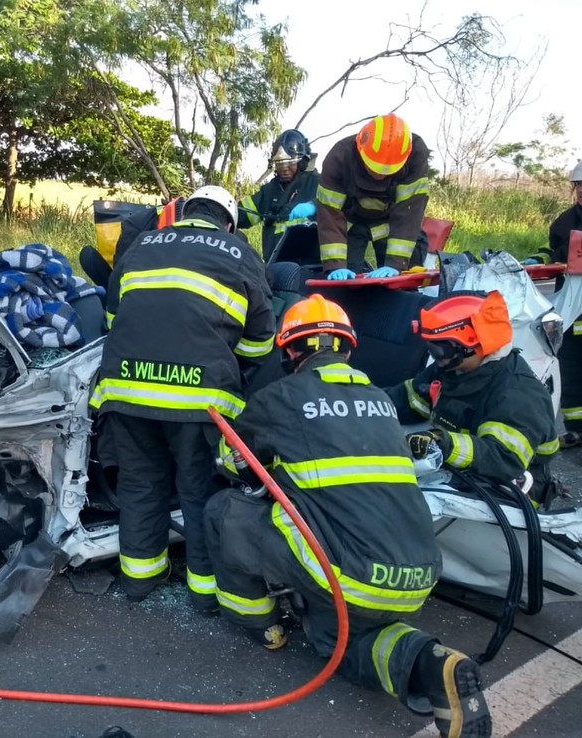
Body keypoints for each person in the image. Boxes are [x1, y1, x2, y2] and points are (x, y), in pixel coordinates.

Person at [204, 294, 491, 738]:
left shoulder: (281, 395)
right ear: (347, 349)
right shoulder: (380, 401)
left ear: (291, 351)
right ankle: (435, 666)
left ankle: (261, 624)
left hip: (352, 576)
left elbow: (230, 461)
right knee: (334, 636)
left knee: (224, 512)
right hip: (419, 575)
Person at [90, 185, 276, 612]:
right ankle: (205, 592)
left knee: (139, 485)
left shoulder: (140, 245)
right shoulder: (237, 251)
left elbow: (114, 318)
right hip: (198, 399)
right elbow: (260, 344)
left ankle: (139, 579)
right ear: (228, 222)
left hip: (126, 390)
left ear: (184, 213)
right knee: (198, 490)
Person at [386, 291, 559, 506]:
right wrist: (362, 403)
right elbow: (407, 400)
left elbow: (503, 458)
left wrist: (444, 443)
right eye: (432, 348)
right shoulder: (454, 368)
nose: (436, 358)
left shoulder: (519, 392)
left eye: (440, 349)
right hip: (459, 470)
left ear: (471, 343)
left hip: (510, 491)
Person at [316, 114, 430, 280]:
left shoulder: (415, 156)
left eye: (388, 170)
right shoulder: (339, 157)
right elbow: (330, 214)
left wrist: (396, 264)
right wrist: (335, 265)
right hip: (352, 223)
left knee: (404, 279)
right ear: (360, 148)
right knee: (347, 282)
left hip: (392, 223)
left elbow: (409, 212)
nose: (380, 174)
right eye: (374, 167)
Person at [524, 160, 582, 448]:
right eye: (579, 186)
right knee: (570, 368)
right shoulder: (564, 221)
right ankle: (575, 429)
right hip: (572, 311)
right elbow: (553, 249)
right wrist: (540, 259)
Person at [237, 129, 320, 263]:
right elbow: (243, 215)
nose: (284, 168)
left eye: (290, 163)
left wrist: (315, 206)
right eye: (280, 164)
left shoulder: (317, 183)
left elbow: (340, 208)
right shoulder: (271, 190)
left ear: (302, 161)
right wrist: (218, 212)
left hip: (310, 268)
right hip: (275, 268)